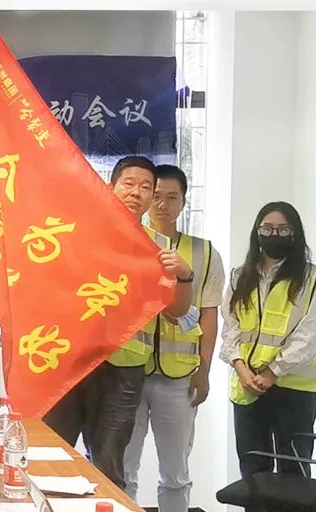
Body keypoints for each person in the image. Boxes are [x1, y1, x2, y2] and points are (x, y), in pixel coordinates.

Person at [43, 155, 195, 489]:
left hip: (123, 370)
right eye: (129, 183)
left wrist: (185, 276)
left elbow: (176, 311)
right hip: (71, 362)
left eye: (146, 187)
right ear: (111, 187)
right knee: (50, 456)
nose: (136, 192)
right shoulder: (76, 234)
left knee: (110, 466)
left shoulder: (158, 248)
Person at [123, 164, 225, 512]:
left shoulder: (204, 252)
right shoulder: (130, 244)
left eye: (172, 197)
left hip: (179, 375)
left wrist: (204, 369)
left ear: (183, 201)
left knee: (175, 473)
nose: (163, 205)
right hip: (130, 372)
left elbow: (209, 314)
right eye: (156, 196)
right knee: (123, 469)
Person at [220, 202, 316, 488]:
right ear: (257, 232)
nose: (274, 235)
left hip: (294, 391)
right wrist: (241, 368)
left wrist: (272, 372)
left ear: (295, 234)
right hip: (247, 386)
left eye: (283, 229)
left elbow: (310, 336)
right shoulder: (239, 276)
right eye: (268, 228)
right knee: (253, 473)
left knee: (293, 473)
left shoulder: (314, 279)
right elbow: (230, 327)